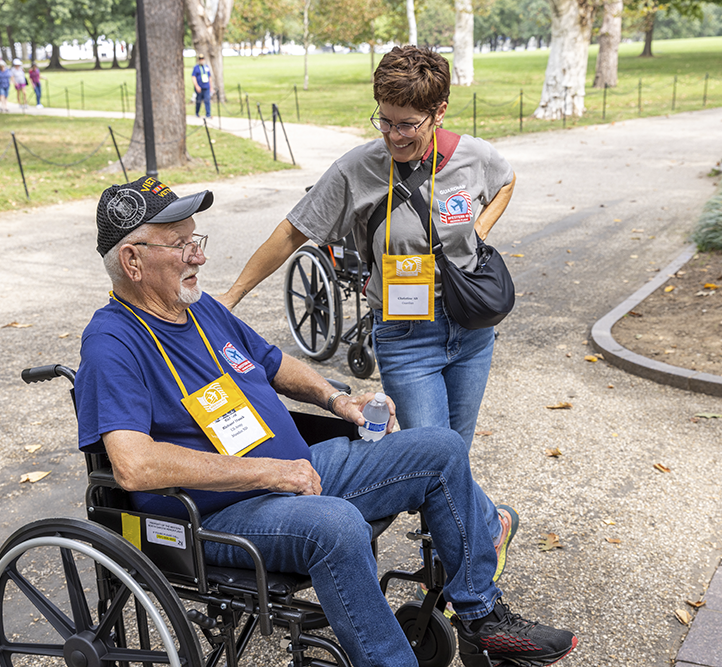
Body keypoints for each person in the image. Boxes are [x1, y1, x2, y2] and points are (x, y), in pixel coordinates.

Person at [75, 176, 577, 667]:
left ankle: (480, 618)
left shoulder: (202, 309)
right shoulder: (112, 342)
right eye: (180, 245)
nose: (199, 256)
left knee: (440, 449)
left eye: (195, 240)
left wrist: (337, 400)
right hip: (219, 514)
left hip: (298, 472)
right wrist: (268, 473)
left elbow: (272, 363)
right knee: (334, 526)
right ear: (132, 260)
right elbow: (134, 466)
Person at [217, 45, 519, 571]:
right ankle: (485, 541)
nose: (395, 135)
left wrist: (479, 232)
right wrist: (232, 296)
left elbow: (507, 180)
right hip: (407, 338)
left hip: (471, 331)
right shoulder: (358, 168)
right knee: (432, 454)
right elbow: (293, 231)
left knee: (455, 458)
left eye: (409, 124)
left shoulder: (474, 156)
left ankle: (448, 570)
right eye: (386, 121)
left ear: (440, 111)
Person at [191, 53, 212, 118]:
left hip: (206, 86)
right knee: (198, 101)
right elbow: (193, 77)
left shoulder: (206, 67)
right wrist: (196, 86)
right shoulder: (196, 67)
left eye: (202, 59)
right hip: (199, 87)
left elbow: (209, 77)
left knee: (207, 100)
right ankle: (197, 113)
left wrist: (211, 86)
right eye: (200, 59)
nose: (201, 60)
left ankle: (208, 114)